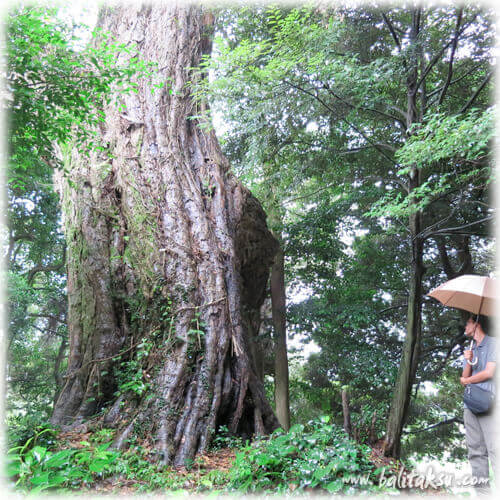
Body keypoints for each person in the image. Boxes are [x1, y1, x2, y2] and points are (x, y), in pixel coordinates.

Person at [460, 315, 496, 495]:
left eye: (468, 322)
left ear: (476, 324)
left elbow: (489, 372)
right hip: (470, 405)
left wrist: (467, 380)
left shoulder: (494, 343)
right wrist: (468, 359)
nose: (465, 325)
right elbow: (463, 378)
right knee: (475, 451)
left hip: (490, 403)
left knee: (495, 448)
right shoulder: (470, 348)